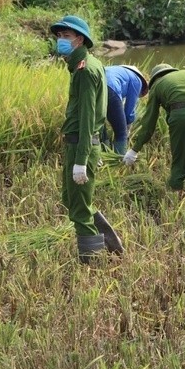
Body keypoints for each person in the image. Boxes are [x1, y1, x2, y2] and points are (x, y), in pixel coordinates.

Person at [50, 15, 124, 263]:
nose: (61, 40)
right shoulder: (85, 65)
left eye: (66, 36)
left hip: (79, 146)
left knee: (79, 209)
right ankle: (109, 239)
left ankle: (90, 262)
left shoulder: (85, 70)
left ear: (80, 39)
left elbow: (88, 118)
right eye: (59, 36)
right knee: (71, 200)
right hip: (79, 144)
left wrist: (82, 159)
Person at [122, 64, 185, 190]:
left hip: (179, 116)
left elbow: (149, 121)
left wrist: (135, 149)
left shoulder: (157, 86)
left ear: (155, 78)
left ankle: (176, 191)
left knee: (179, 160)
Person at [101, 65, 149, 155]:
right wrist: (127, 127)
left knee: (100, 125)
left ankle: (103, 153)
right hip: (111, 88)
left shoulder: (119, 71)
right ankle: (119, 160)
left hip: (95, 86)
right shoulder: (137, 80)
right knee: (121, 133)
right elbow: (129, 110)